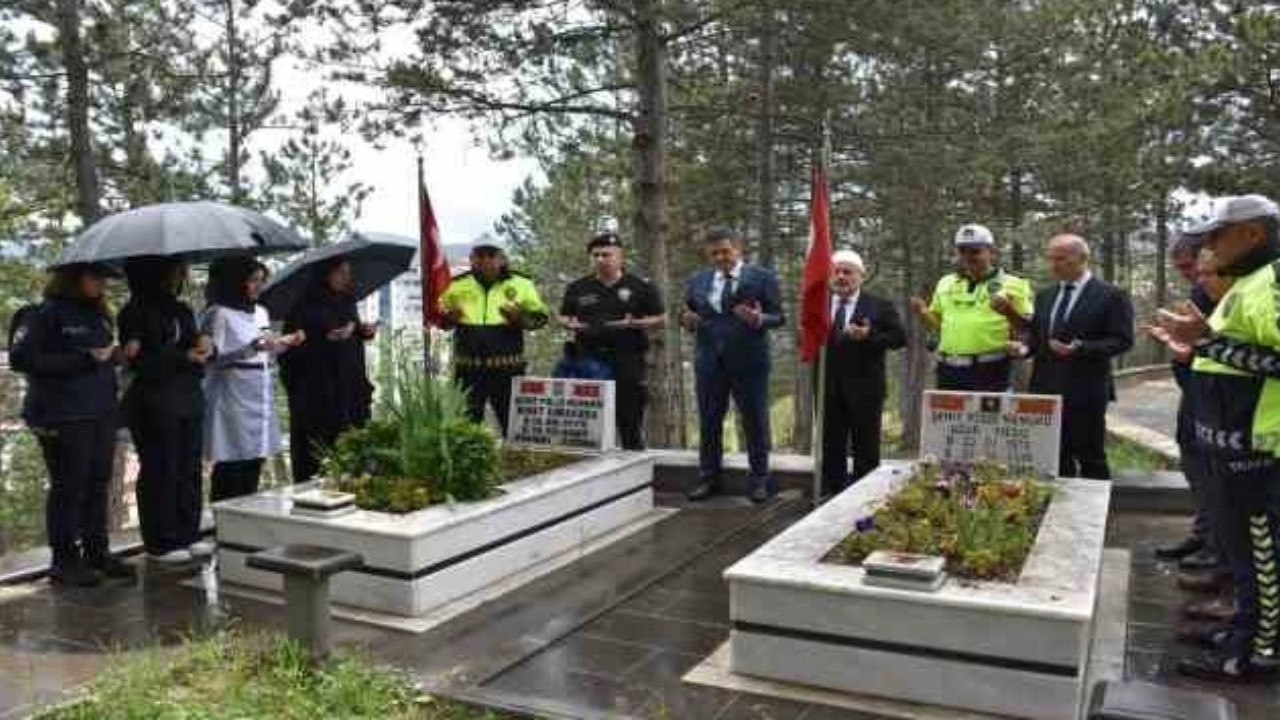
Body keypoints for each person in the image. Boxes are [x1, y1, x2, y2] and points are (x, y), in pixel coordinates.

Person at [1157, 194, 1280, 682]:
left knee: (1262, 561)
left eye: (1216, 236)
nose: (1208, 246)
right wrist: (1203, 343)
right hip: (1228, 448)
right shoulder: (1251, 282)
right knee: (1241, 557)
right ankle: (1241, 632)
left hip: (1258, 453)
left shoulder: (1273, 282)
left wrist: (1207, 341)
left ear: (1252, 234)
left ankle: (1257, 654)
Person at [9, 263, 134, 586]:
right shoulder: (41, 314)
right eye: (96, 278)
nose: (101, 285)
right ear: (75, 279)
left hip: (101, 412)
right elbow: (21, 359)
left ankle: (97, 552)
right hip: (61, 415)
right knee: (69, 485)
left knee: (97, 483)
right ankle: (63, 560)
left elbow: (101, 358)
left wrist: (118, 355)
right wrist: (85, 359)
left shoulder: (98, 314)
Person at [1149, 246, 1235, 622]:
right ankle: (1208, 545)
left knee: (1234, 500)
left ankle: (1230, 584)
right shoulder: (1204, 294)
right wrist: (1182, 353)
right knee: (1200, 473)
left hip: (1235, 415)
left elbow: (1236, 351)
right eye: (1186, 270)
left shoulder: (1237, 295)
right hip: (1200, 399)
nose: (1193, 277)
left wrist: (1195, 348)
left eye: (1198, 270)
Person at [119, 257, 213, 565]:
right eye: (174, 271)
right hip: (154, 400)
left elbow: (191, 347)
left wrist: (204, 348)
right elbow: (141, 363)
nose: (179, 276)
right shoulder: (133, 312)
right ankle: (160, 540)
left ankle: (188, 531)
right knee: (162, 467)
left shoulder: (182, 309)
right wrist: (183, 356)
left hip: (187, 395)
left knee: (188, 466)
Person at [680, 227, 785, 503]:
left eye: (725, 251)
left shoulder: (762, 277)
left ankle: (760, 479)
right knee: (710, 421)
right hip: (709, 362)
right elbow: (688, 312)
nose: (720, 257)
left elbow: (779, 317)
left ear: (738, 249)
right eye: (714, 253)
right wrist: (687, 320)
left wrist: (759, 319)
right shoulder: (698, 279)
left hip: (749, 361)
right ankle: (708, 477)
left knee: (755, 421)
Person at [1018, 234, 1134, 479]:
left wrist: (1081, 348)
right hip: (1045, 388)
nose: (1054, 265)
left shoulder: (1111, 295)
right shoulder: (1045, 296)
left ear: (1082, 258)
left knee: (1091, 457)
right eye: (1051, 259)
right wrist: (1023, 348)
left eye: (1061, 259)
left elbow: (1122, 340)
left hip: (1086, 390)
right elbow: (1039, 337)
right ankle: (1059, 513)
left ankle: (1095, 513)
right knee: (1054, 456)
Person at [202, 255, 304, 502]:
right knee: (233, 459)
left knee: (255, 457)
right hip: (232, 395)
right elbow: (211, 358)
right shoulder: (219, 313)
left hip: (260, 391)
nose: (258, 286)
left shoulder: (260, 311)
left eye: (261, 280)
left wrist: (287, 342)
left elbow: (268, 345)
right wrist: (250, 349)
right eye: (253, 281)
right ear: (236, 282)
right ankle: (224, 517)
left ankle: (246, 513)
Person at [558, 232, 666, 449]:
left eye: (605, 255)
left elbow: (661, 318)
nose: (599, 260)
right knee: (588, 421)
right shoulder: (578, 287)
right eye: (595, 255)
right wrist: (568, 324)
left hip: (627, 359)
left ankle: (633, 465)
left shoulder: (639, 286)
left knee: (629, 418)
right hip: (588, 359)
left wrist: (636, 323)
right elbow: (563, 314)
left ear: (619, 256)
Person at [280, 257, 376, 483]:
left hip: (349, 387)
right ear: (326, 274)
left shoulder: (347, 301)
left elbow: (351, 335)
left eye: (347, 272)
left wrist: (363, 331)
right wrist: (324, 338)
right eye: (340, 272)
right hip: (318, 392)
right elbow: (290, 349)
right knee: (319, 449)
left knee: (351, 445)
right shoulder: (304, 307)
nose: (346, 277)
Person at [819, 250, 905, 496]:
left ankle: (865, 495)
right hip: (828, 387)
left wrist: (869, 337)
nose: (841, 277)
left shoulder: (879, 305)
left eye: (848, 272)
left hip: (866, 388)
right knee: (831, 442)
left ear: (861, 276)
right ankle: (831, 491)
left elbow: (899, 338)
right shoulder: (820, 305)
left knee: (865, 445)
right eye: (836, 272)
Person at [439, 243, 549, 434]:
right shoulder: (456, 284)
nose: (485, 260)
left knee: (515, 427)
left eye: (491, 255)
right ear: (471, 260)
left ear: (502, 259)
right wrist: (449, 319)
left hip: (507, 370)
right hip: (468, 370)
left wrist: (519, 318)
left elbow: (540, 319)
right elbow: (441, 321)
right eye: (479, 255)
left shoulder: (521, 283)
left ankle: (517, 463)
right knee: (464, 429)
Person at [910, 224, 1032, 392]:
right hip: (949, 369)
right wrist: (923, 312)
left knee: (989, 418)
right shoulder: (946, 282)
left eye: (975, 251)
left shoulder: (1013, 283)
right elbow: (939, 325)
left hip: (990, 369)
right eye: (962, 251)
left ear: (991, 251)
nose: (968, 256)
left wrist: (1009, 311)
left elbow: (1027, 328)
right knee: (948, 418)